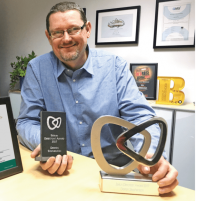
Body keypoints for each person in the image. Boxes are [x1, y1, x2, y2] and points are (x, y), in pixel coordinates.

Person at [16, 2, 178, 194]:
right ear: (48, 36)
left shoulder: (115, 66)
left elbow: (141, 118)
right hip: (62, 172)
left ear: (87, 29)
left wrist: (149, 155)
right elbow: (27, 121)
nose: (66, 38)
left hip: (114, 173)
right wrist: (46, 144)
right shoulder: (37, 69)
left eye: (73, 29)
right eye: (57, 32)